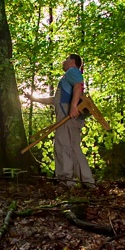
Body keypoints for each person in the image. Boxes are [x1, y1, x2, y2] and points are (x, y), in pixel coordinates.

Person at [28, 54, 96, 188]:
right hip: (70, 116)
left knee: (62, 146)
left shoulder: (72, 72)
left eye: (66, 59)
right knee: (74, 148)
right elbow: (54, 100)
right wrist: (34, 99)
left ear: (72, 61)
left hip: (67, 116)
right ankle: (87, 181)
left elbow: (78, 87)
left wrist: (73, 107)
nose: (63, 62)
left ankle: (66, 181)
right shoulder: (68, 77)